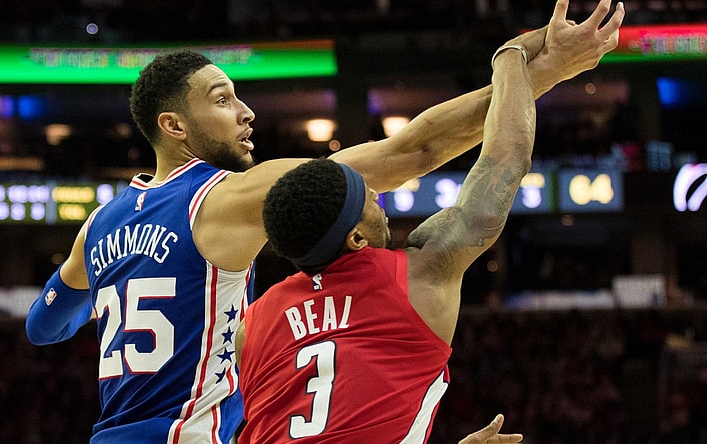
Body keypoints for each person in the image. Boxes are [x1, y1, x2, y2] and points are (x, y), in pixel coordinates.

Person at [24, 0, 625, 442]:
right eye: (223, 99)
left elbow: (43, 328)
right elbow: (411, 152)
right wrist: (539, 72)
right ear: (174, 127)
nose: (246, 112)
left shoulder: (99, 225)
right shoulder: (228, 196)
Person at [234, 2, 624, 442]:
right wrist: (511, 53)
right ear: (357, 238)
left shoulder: (252, 322)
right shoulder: (421, 273)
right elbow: (505, 161)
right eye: (367, 199)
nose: (379, 195)